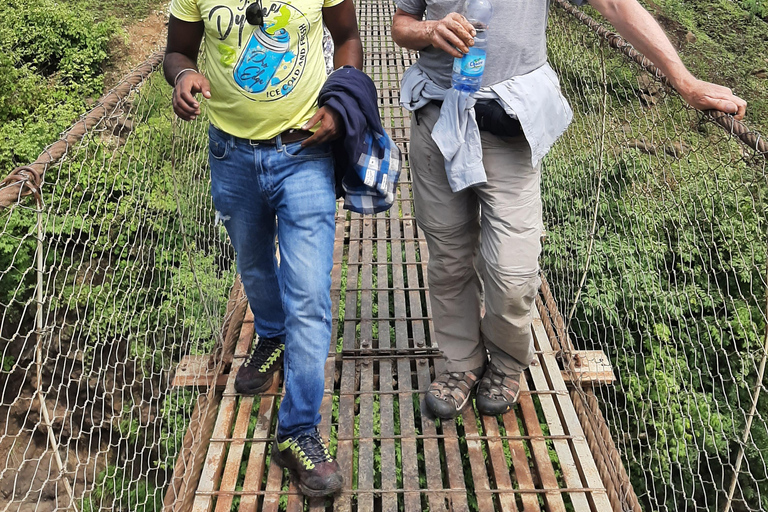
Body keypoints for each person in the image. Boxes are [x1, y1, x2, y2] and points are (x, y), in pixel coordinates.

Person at [391, 0, 746, 419]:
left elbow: (614, 4)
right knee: (448, 258)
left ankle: (505, 362)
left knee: (512, 272)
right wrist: (431, 31)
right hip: (436, 117)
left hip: (509, 126)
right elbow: (401, 24)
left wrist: (684, 81)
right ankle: (461, 363)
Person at [164, 0, 362, 496]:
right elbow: (176, 52)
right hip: (230, 153)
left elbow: (348, 38)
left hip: (305, 152)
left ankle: (298, 432)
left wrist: (341, 104)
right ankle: (272, 335)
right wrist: (184, 77)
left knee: (311, 297)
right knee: (252, 266)